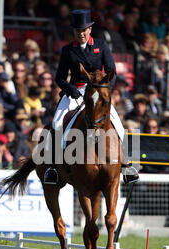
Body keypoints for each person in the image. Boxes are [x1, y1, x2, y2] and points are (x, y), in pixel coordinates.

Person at [44, 9, 138, 185]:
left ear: (90, 30)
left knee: (117, 123)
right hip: (76, 91)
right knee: (57, 123)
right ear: (74, 32)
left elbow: (112, 72)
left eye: (84, 30)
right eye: (78, 31)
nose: (81, 34)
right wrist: (69, 88)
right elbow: (59, 77)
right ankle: (53, 167)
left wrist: (105, 90)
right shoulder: (67, 50)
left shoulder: (101, 46)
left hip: (97, 92)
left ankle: (126, 164)